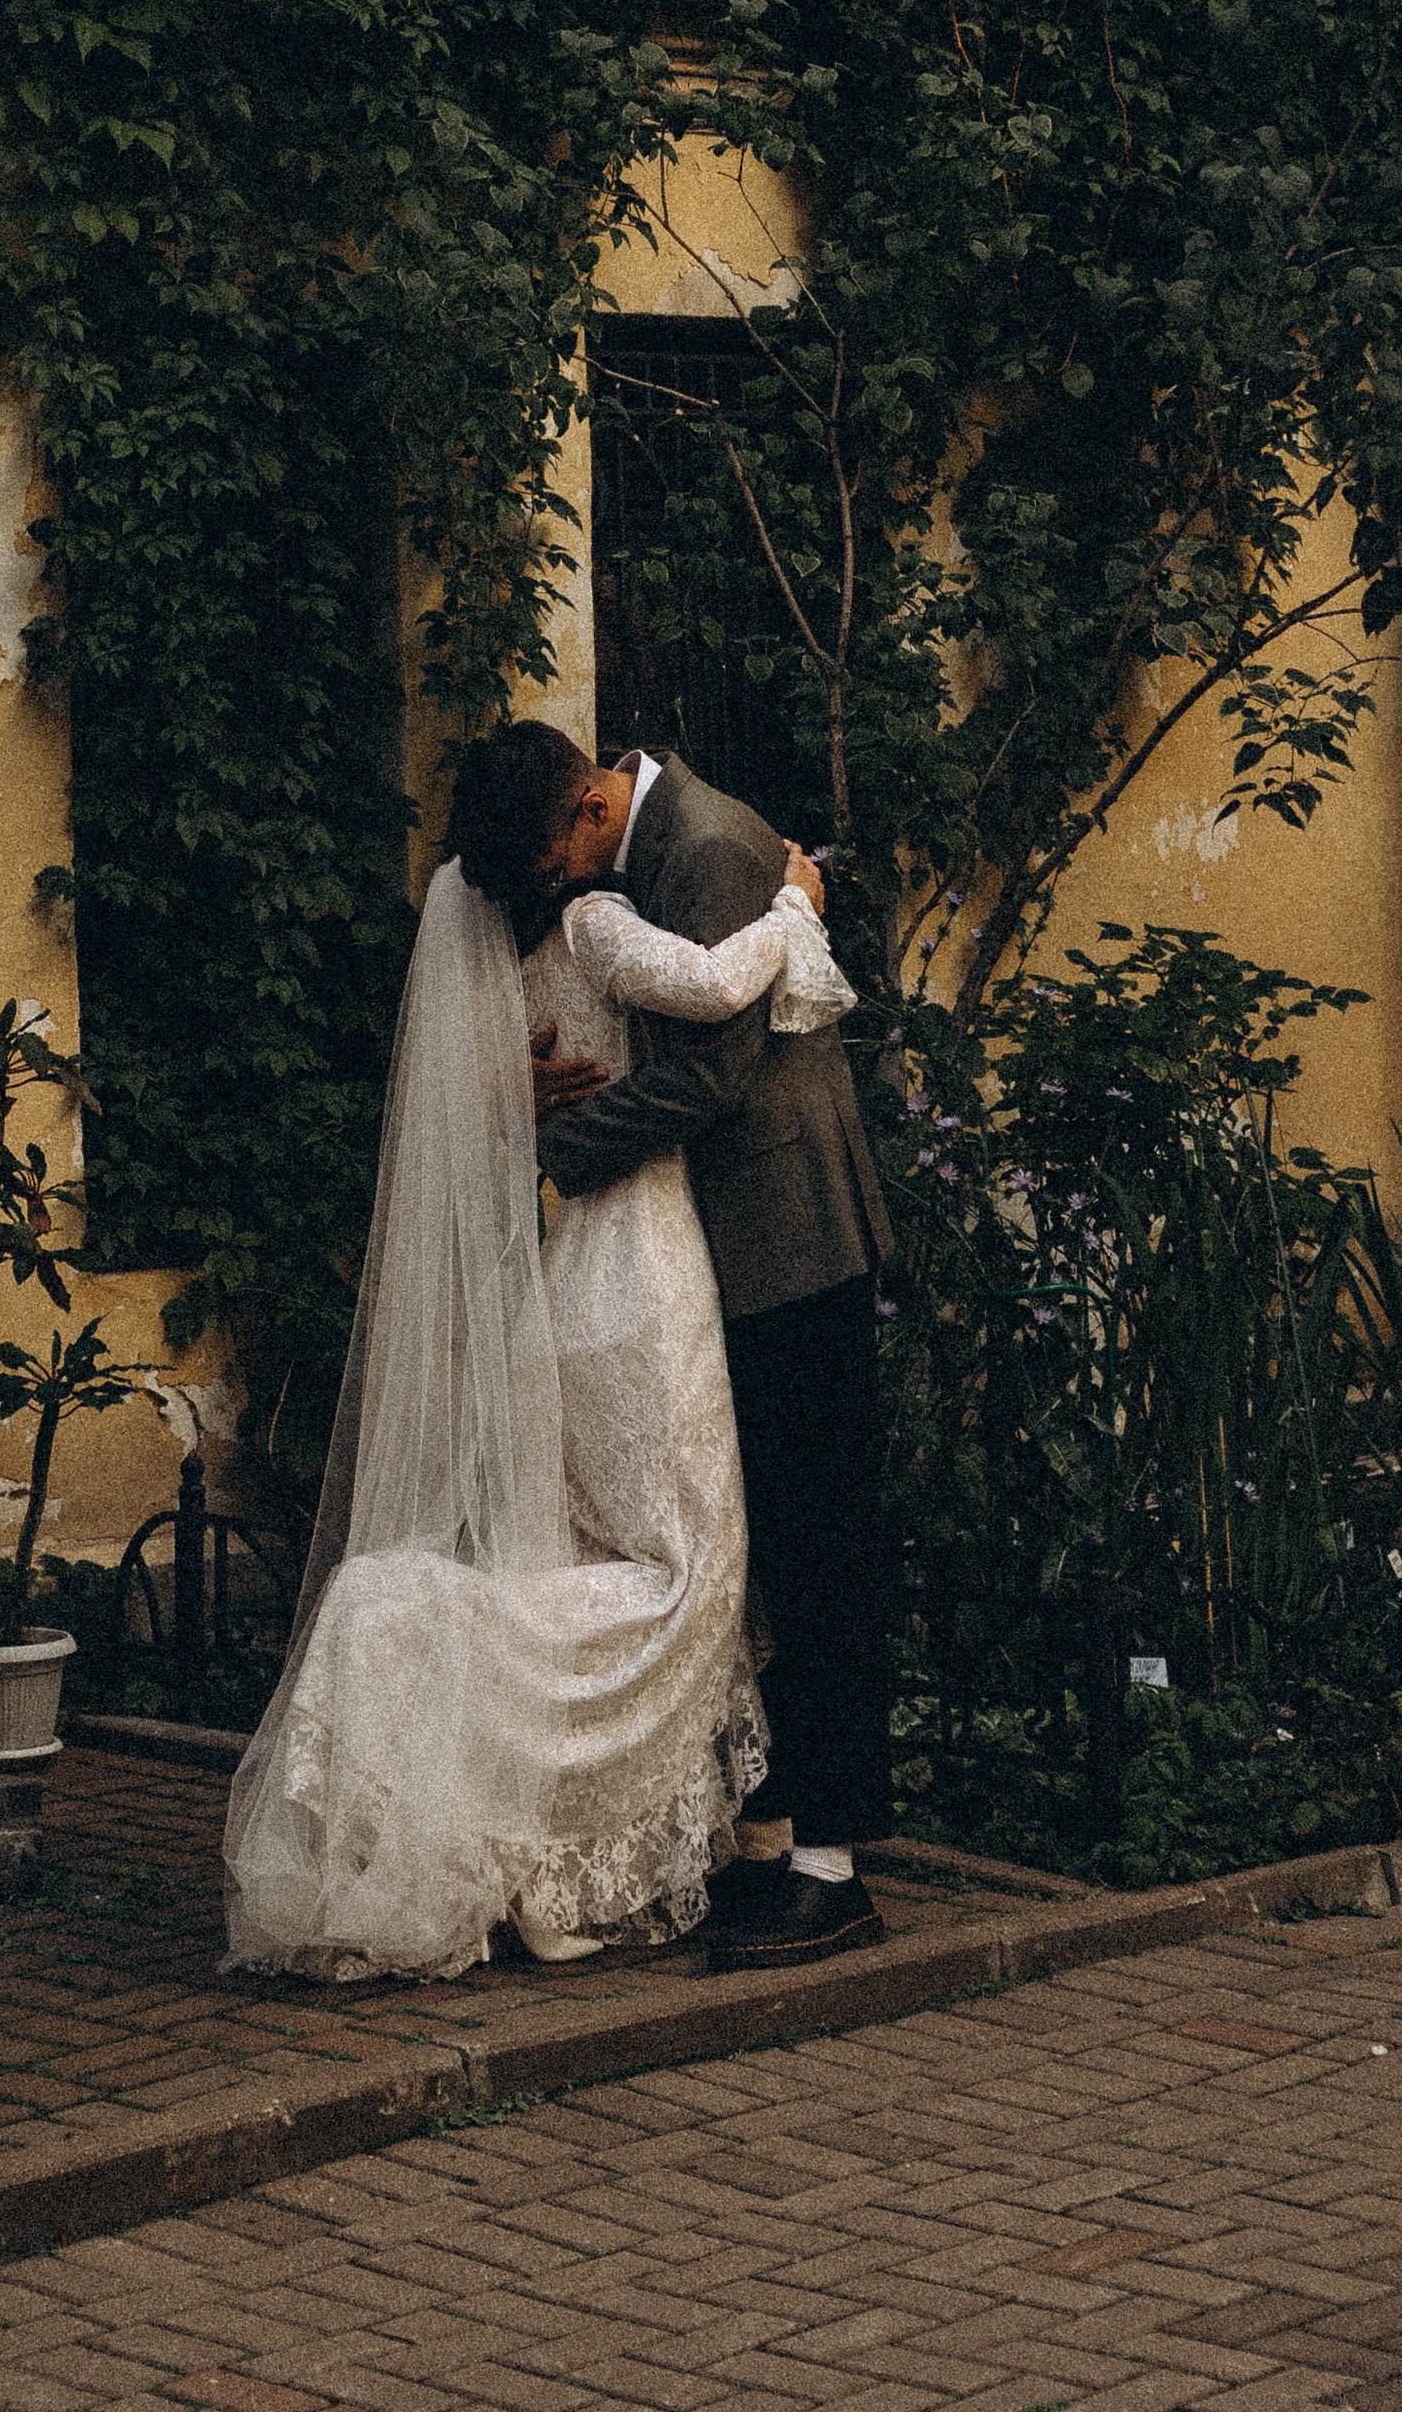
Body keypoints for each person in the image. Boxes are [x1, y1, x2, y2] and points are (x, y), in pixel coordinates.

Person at [220, 814, 851, 1982]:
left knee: (596, 1547)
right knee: (689, 1578)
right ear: (554, 844)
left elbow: (473, 1114)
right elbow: (713, 992)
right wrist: (798, 902)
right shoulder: (598, 919)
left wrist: (518, 1108)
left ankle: (506, 1795)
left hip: (567, 1288)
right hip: (650, 1275)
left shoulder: (496, 988)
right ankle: (445, 1670)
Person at [468, 724, 899, 1975]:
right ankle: (768, 1825)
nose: (550, 890)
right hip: (710, 1244)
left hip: (785, 1236)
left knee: (819, 1542)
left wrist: (549, 1150)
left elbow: (711, 1074)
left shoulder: (704, 847)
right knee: (742, 1537)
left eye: (550, 864)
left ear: (590, 807)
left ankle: (836, 1860)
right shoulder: (628, 854)